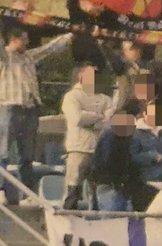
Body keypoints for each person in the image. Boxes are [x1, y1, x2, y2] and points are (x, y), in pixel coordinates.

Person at [0, 27, 72, 197]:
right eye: (24, 39)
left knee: (27, 156)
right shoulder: (4, 57)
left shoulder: (29, 56)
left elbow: (49, 49)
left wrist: (71, 34)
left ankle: (27, 194)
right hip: (10, 108)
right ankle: (1, 190)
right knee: (3, 151)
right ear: (14, 40)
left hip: (30, 110)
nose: (27, 42)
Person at [62, 63, 116, 209]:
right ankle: (69, 219)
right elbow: (77, 118)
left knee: (97, 191)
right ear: (81, 76)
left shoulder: (105, 98)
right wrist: (99, 116)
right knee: (73, 187)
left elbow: (110, 121)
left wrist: (91, 118)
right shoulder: (71, 96)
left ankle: (96, 221)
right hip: (78, 149)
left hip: (99, 151)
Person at [92, 106, 154, 211]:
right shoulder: (111, 137)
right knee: (114, 219)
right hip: (110, 185)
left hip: (117, 185)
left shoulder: (122, 137)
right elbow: (107, 161)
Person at [131, 99, 162, 183]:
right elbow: (131, 157)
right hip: (147, 181)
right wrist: (151, 156)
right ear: (145, 114)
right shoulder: (135, 133)